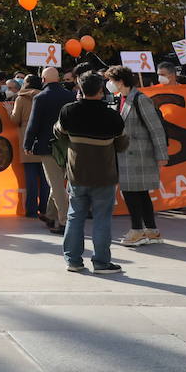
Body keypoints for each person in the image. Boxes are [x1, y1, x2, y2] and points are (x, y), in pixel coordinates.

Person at [54, 72, 128, 273]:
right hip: (104, 175)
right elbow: (122, 144)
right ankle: (102, 262)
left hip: (77, 173)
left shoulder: (68, 111)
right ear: (101, 90)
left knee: (75, 216)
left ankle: (73, 261)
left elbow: (58, 133)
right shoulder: (112, 116)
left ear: (79, 88)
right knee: (102, 218)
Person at [106, 65, 168, 247]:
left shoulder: (140, 99)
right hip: (128, 154)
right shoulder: (123, 98)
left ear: (120, 81)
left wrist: (162, 155)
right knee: (140, 194)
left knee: (132, 193)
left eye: (111, 80)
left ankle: (137, 231)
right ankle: (151, 230)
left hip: (139, 154)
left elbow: (155, 128)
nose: (109, 84)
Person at [24, 66, 74, 234]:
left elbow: (34, 123)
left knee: (57, 184)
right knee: (57, 182)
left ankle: (63, 221)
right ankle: (51, 215)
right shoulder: (70, 95)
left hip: (48, 146)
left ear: (43, 80)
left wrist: (28, 144)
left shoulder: (41, 97)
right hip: (68, 145)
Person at [11, 72, 49, 220]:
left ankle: (31, 210)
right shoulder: (46, 97)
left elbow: (15, 119)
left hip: (27, 139)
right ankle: (45, 208)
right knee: (46, 178)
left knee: (31, 178)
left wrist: (9, 111)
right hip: (44, 138)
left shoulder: (21, 98)